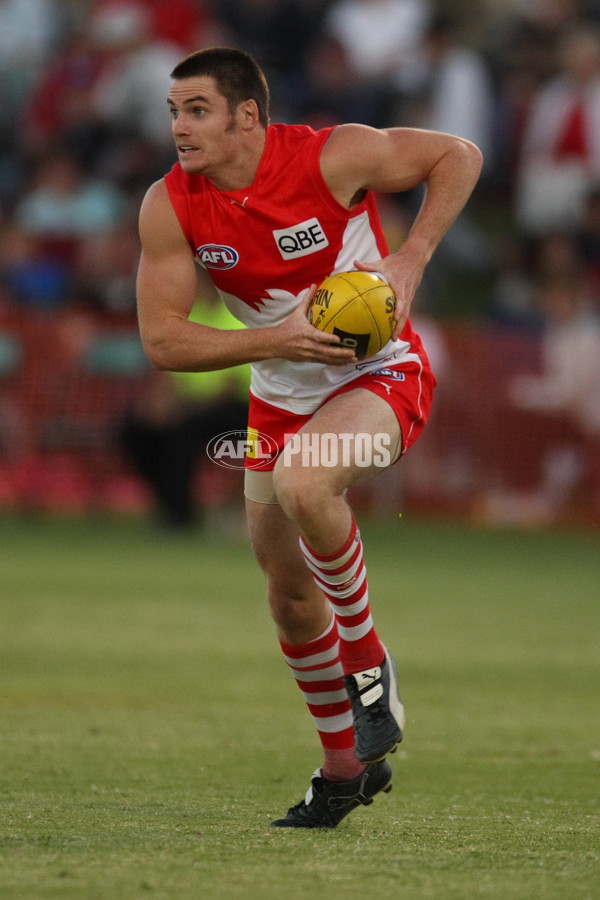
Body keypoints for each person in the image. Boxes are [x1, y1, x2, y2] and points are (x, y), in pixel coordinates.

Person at [136, 47, 482, 828]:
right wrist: (277, 343)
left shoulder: (332, 154)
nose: (179, 127)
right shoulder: (170, 203)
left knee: (303, 482)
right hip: (281, 392)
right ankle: (344, 772)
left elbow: (458, 155)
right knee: (289, 597)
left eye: (195, 110)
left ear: (246, 117)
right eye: (173, 111)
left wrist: (410, 258)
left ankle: (369, 665)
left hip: (382, 373)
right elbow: (161, 340)